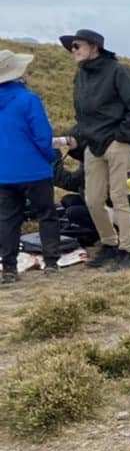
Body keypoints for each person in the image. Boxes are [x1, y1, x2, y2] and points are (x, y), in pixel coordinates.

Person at [60, 27, 130, 270]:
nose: (73, 50)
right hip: (94, 144)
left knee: (121, 197)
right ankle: (110, 243)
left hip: (120, 143)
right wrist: (75, 138)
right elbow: (83, 117)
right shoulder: (80, 77)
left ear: (94, 47)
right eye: (71, 47)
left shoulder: (119, 71)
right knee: (92, 199)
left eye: (77, 46)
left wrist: (122, 137)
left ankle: (129, 249)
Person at [0, 48, 61, 283]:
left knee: (8, 220)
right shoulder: (29, 100)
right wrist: (51, 156)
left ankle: (9, 269)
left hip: (4, 173)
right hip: (35, 170)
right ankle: (51, 263)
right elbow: (42, 136)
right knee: (46, 214)